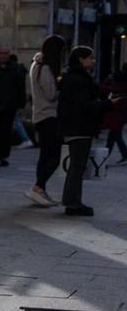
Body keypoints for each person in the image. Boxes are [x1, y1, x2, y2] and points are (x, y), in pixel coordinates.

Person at [58, 46, 117, 217]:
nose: (93, 60)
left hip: (76, 126)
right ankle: (73, 203)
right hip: (79, 127)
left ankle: (72, 201)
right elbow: (83, 106)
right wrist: (108, 104)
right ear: (81, 59)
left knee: (77, 166)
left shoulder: (74, 77)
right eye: (90, 58)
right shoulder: (78, 79)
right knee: (78, 167)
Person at [25, 35, 66, 206]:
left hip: (40, 115)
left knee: (45, 155)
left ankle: (40, 190)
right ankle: (38, 187)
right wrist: (61, 88)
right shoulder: (45, 68)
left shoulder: (36, 65)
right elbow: (50, 95)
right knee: (55, 156)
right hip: (49, 115)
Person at [101, 63, 127, 165]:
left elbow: (103, 88)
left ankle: (106, 157)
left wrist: (108, 79)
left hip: (115, 113)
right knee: (113, 135)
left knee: (115, 135)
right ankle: (106, 156)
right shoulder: (122, 86)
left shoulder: (116, 85)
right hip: (121, 113)